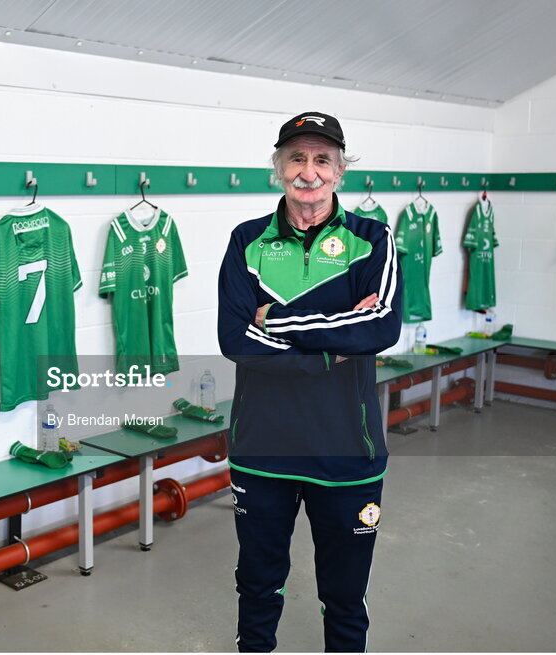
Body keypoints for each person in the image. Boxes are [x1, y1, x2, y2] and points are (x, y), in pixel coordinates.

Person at [217, 111, 402, 652]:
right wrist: (329, 352)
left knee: (344, 595)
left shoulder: (372, 238)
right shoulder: (245, 241)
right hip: (262, 447)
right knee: (256, 584)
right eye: (297, 158)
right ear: (279, 169)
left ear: (341, 170)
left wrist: (271, 321)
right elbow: (233, 338)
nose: (309, 171)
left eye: (322, 159)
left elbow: (381, 326)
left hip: (348, 450)